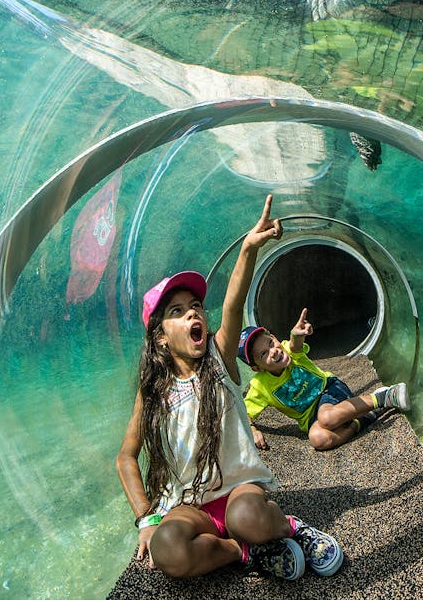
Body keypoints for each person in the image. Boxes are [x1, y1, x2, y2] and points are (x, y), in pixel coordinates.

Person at [116, 195, 343, 582]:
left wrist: (249, 249)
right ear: (160, 340)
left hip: (239, 492)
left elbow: (234, 300)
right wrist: (146, 519)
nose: (193, 312)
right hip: (190, 506)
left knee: (248, 517)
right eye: (177, 311)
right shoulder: (153, 392)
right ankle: (244, 552)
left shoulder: (219, 360)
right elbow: (125, 458)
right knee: (167, 550)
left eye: (195, 306)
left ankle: (289, 528)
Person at [238, 307, 410, 452]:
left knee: (327, 417)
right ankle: (363, 419)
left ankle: (383, 397)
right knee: (318, 439)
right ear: (257, 368)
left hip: (328, 390)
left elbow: (294, 345)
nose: (273, 351)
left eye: (270, 342)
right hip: (312, 418)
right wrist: (252, 429)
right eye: (263, 354)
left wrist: (296, 335)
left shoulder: (289, 352)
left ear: (275, 337)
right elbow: (243, 412)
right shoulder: (260, 386)